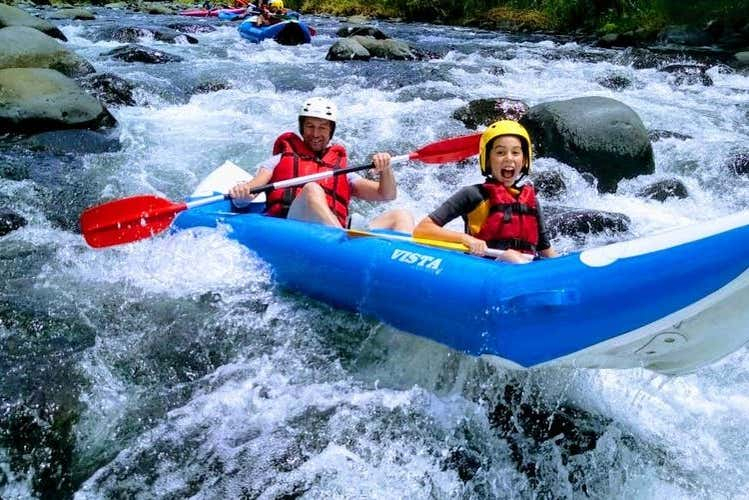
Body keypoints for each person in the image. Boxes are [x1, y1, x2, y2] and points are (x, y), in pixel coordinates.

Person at [229, 97, 413, 232]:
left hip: (331, 231)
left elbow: (386, 194)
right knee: (311, 189)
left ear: (331, 131)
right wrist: (242, 191)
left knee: (401, 216)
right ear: (302, 128)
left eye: (322, 127)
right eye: (310, 126)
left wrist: (386, 169)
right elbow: (253, 188)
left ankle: (407, 267)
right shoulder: (278, 160)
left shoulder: (342, 170)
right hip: (291, 226)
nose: (315, 133)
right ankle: (342, 240)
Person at [412, 120, 557, 264]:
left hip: (523, 270)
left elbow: (545, 250)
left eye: (516, 152)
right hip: (484, 268)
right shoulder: (472, 194)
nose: (509, 158)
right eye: (500, 152)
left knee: (515, 258)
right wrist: (466, 239)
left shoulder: (531, 201)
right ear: (487, 160)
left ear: (525, 159)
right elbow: (423, 229)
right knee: (511, 257)